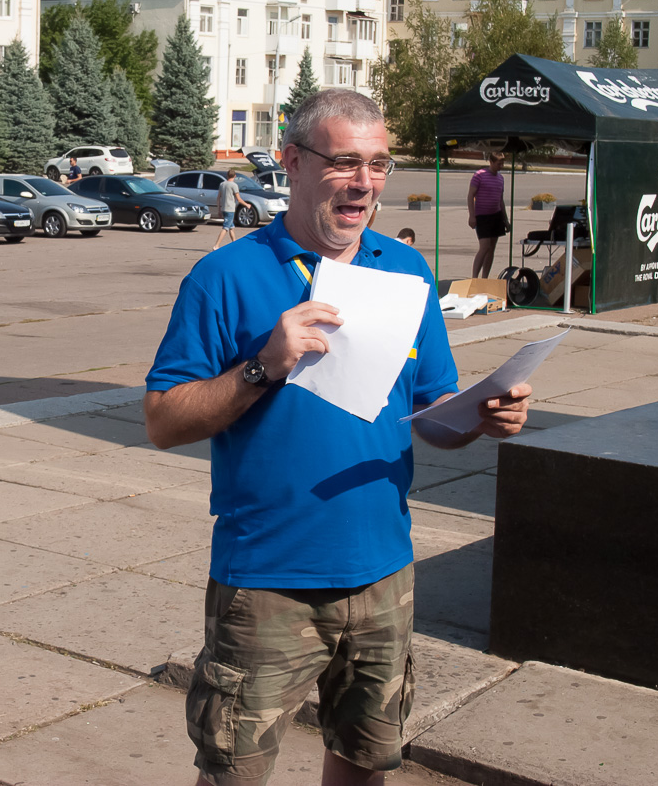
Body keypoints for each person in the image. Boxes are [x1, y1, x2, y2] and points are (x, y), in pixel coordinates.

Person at [144, 89, 531, 786]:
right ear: (292, 161)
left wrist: (478, 415)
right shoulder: (225, 276)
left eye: (378, 164)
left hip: (384, 574)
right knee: (233, 772)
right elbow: (163, 420)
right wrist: (263, 365)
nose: (364, 182)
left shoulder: (405, 271)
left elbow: (431, 409)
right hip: (268, 581)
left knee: (365, 762)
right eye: (345, 162)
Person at [468, 152, 507, 279]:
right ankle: (474, 277)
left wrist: (505, 220)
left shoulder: (500, 178)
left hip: (496, 216)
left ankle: (485, 277)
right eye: (499, 163)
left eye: (502, 163)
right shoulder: (479, 175)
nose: (501, 166)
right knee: (484, 247)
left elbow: (500, 200)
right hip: (482, 216)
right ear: (491, 162)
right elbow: (470, 195)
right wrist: (472, 216)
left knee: (491, 248)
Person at [212, 169, 241, 250]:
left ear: (227, 176)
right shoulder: (234, 185)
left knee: (231, 227)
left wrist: (219, 209)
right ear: (235, 176)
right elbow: (238, 199)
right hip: (230, 209)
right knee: (225, 228)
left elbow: (218, 198)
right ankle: (216, 245)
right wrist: (247, 205)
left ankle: (234, 244)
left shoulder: (222, 184)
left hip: (224, 208)